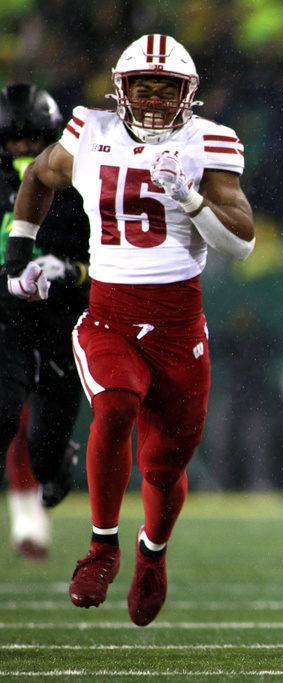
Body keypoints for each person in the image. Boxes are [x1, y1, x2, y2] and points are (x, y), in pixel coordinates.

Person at [1, 34, 254, 626]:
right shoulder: (90, 130)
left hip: (178, 326)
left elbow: (241, 243)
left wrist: (188, 198)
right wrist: (18, 254)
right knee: (114, 406)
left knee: (164, 466)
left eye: (168, 88)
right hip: (108, 314)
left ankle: (152, 555)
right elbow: (38, 179)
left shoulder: (210, 141)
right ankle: (102, 546)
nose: (156, 99)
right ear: (122, 89)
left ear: (188, 93)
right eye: (145, 87)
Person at [0, 83, 90, 559]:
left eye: (32, 138)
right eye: (13, 139)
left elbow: (113, 264)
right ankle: (26, 523)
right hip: (6, 322)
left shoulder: (80, 187)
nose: (22, 148)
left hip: (59, 324)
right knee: (5, 417)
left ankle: (57, 461)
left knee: (45, 451)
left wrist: (71, 271)